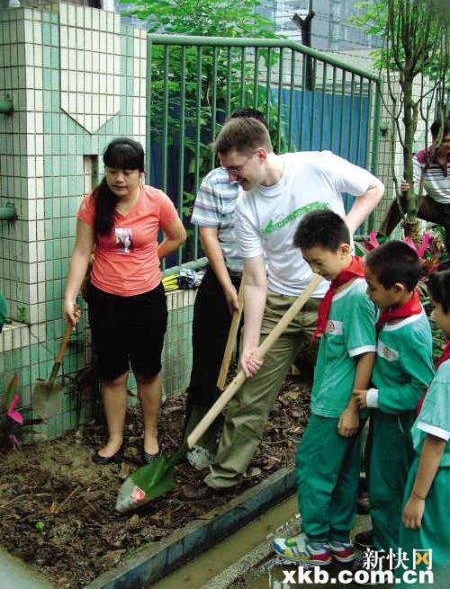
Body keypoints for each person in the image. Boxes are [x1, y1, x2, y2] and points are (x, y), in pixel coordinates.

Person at [181, 116, 384, 499]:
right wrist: (250, 345)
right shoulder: (246, 208)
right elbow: (255, 280)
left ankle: (359, 479)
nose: (231, 177)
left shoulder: (316, 165)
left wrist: (344, 228)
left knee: (351, 392)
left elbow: (374, 187)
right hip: (279, 300)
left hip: (336, 297)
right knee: (250, 390)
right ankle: (225, 475)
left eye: (236, 168)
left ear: (260, 154)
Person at [64, 138, 186, 465]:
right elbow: (80, 252)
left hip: (147, 300)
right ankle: (115, 437)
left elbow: (178, 236)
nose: (119, 178)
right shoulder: (93, 203)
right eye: (113, 171)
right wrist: (70, 294)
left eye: (127, 172)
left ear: (140, 172)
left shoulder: (156, 201)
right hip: (106, 301)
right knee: (113, 374)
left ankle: (150, 434)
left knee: (147, 371)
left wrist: (151, 257)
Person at [271, 210, 377, 565]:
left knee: (313, 467)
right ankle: (338, 543)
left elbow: (366, 356)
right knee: (344, 472)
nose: (315, 271)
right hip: (336, 399)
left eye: (318, 262)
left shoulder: (358, 295)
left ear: (344, 250)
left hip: (336, 404)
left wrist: (350, 407)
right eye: (309, 264)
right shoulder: (345, 286)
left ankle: (315, 543)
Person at [184, 108, 269, 470]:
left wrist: (253, 289)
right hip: (224, 278)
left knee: (250, 365)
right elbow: (208, 233)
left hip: (265, 284)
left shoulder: (273, 181)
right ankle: (198, 436)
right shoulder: (215, 181)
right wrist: (226, 286)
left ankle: (236, 442)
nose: (234, 174)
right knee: (209, 360)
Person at [353, 241, 434, 553]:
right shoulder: (394, 311)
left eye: (372, 288)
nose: (367, 294)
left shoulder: (409, 332)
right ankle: (386, 533)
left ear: (397, 289)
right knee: (379, 479)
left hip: (398, 423)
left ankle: (391, 550)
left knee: (388, 485)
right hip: (385, 417)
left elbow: (420, 386)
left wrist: (376, 398)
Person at [399, 269, 450, 589]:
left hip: (438, 481)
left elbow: (435, 440)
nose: (431, 313)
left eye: (437, 306)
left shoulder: (446, 374)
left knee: (421, 554)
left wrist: (418, 496)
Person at [378, 117, 450, 252]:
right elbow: (411, 183)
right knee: (402, 199)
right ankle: (379, 240)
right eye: (446, 141)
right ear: (435, 139)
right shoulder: (421, 158)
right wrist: (407, 189)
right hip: (433, 205)